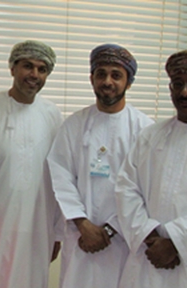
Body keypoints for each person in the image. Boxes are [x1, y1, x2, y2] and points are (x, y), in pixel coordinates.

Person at [47, 44, 154, 288]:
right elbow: (61, 176)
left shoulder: (145, 130)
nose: (107, 81)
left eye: (116, 75)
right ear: (91, 78)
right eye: (101, 73)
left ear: (129, 82)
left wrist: (110, 229)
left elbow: (145, 188)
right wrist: (83, 224)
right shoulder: (74, 125)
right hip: (80, 236)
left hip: (124, 239)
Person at [115, 50, 187, 287]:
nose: (184, 92)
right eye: (177, 84)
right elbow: (126, 189)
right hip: (147, 257)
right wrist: (150, 237)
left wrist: (175, 243)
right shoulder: (151, 135)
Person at [0, 40, 63, 288]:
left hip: (38, 224)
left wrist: (57, 233)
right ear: (12, 68)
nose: (34, 75)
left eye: (42, 69)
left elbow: (59, 177)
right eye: (27, 66)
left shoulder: (53, 115)